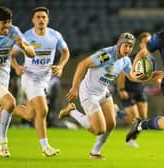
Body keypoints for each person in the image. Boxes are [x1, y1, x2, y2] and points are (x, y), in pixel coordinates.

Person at [58, 32, 163, 160]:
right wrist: (75, 87)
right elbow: (82, 64)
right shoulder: (106, 55)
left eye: (130, 47)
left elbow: (132, 76)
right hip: (89, 93)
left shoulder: (125, 61)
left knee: (111, 124)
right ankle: (72, 111)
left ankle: (95, 153)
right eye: (126, 46)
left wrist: (151, 77)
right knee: (99, 130)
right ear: (119, 44)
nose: (128, 49)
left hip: (103, 92)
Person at [12, 7, 70, 156]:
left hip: (45, 78)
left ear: (47, 19)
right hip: (30, 77)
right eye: (38, 17)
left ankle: (5, 106)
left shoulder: (54, 35)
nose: (41, 20)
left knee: (30, 114)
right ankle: (46, 147)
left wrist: (61, 66)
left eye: (43, 17)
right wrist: (17, 67)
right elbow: (11, 55)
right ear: (33, 20)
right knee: (43, 110)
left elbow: (65, 52)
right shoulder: (26, 36)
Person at [0, 6, 35, 157]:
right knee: (10, 102)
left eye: (9, 22)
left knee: (3, 109)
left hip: (2, 80)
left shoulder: (13, 31)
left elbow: (31, 53)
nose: (7, 26)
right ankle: (3, 143)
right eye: (4, 22)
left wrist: (24, 47)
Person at [117, 32, 157, 147]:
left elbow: (151, 78)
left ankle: (131, 138)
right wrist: (121, 89)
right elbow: (122, 74)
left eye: (150, 43)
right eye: (145, 42)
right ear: (140, 44)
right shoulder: (131, 58)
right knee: (133, 118)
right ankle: (119, 114)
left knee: (143, 118)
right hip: (128, 90)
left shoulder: (151, 59)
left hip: (140, 91)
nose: (148, 45)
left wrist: (158, 81)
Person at [126, 31, 164, 143]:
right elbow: (142, 53)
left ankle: (142, 124)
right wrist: (133, 71)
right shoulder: (161, 37)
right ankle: (142, 124)